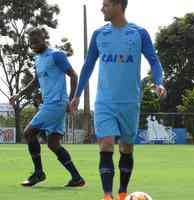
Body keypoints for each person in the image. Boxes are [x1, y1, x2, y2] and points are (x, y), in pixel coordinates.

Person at [69, 0, 166, 200]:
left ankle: (122, 193)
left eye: (106, 5)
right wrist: (77, 95)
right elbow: (88, 66)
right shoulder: (99, 34)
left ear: (118, 5)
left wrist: (159, 82)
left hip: (130, 102)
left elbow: (154, 61)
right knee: (105, 144)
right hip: (104, 102)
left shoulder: (139, 33)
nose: (102, 8)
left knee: (126, 148)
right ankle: (107, 195)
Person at [9, 28, 85, 187]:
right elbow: (36, 81)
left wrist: (71, 100)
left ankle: (38, 173)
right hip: (50, 104)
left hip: (56, 103)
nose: (34, 46)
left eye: (36, 42)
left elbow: (73, 75)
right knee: (53, 143)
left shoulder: (56, 55)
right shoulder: (37, 59)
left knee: (29, 133)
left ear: (44, 39)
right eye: (31, 44)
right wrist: (19, 94)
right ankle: (77, 178)